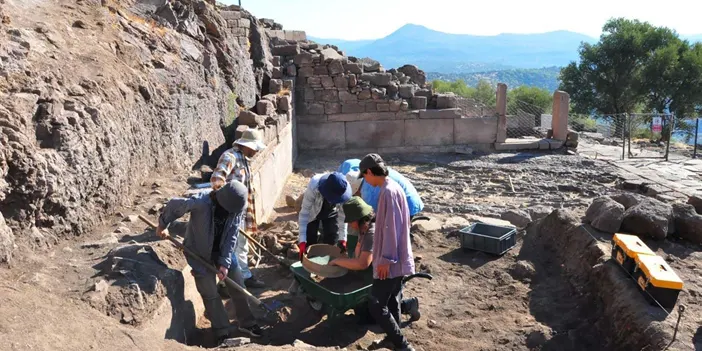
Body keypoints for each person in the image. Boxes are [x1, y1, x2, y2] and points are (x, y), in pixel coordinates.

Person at [156, 180, 262, 344]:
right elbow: (175, 204)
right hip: (199, 252)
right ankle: (222, 331)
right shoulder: (201, 202)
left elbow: (232, 235)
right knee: (210, 293)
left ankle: (247, 323)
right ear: (222, 201)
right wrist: (163, 224)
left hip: (223, 250)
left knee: (238, 286)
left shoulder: (236, 209)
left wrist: (225, 263)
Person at [356, 153, 416, 351]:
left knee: (376, 304)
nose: (365, 180)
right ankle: (393, 340)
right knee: (392, 299)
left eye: (365, 176)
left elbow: (391, 228)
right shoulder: (392, 187)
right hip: (398, 256)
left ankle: (402, 344)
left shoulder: (388, 192)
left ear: (371, 172)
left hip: (390, 259)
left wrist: (386, 259)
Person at [330, 196, 420, 323]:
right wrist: (348, 260)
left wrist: (337, 261)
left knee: (373, 314)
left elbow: (362, 264)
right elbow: (359, 251)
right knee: (362, 311)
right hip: (381, 266)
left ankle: (408, 305)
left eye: (350, 221)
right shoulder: (365, 226)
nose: (349, 224)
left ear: (358, 219)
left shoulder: (372, 232)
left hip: (392, 269)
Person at [210, 128, 266, 289]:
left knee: (242, 244)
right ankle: (226, 284)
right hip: (230, 213)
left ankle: (245, 276)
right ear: (247, 145)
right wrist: (227, 204)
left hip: (241, 213)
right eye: (255, 148)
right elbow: (216, 180)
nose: (256, 151)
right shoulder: (230, 157)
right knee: (229, 248)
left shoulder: (244, 159)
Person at [337, 159, 423, 217]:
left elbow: (376, 216)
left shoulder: (369, 192)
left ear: (357, 190)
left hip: (407, 206)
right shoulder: (362, 171)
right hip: (411, 196)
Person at [297, 172, 352, 259]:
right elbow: (304, 213)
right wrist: (302, 240)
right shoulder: (314, 186)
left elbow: (342, 216)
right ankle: (309, 260)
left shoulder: (343, 189)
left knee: (332, 237)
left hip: (332, 211)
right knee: (310, 237)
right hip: (313, 211)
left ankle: (328, 261)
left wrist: (343, 238)